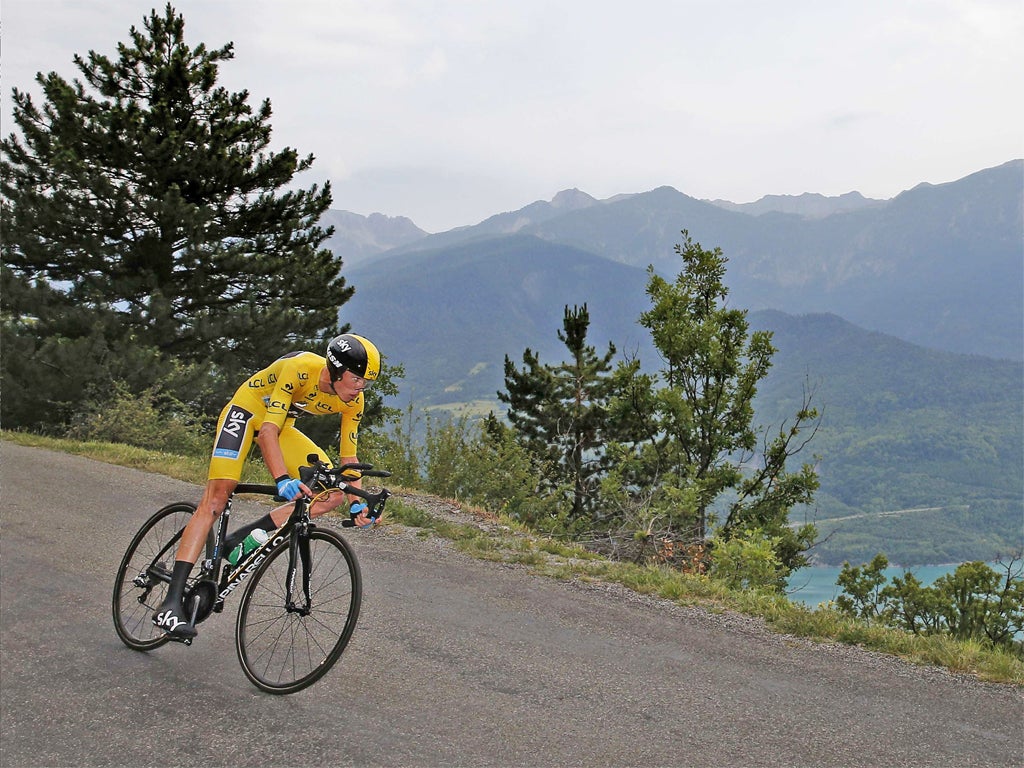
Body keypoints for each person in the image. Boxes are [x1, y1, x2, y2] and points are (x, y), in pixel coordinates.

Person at [152, 333, 382, 639]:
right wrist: (282, 480)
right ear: (337, 369)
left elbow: (349, 458)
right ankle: (170, 604)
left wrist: (356, 502)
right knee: (217, 499)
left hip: (283, 426)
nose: (360, 388)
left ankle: (239, 538)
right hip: (245, 414)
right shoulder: (300, 369)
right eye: (356, 379)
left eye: (365, 382)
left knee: (332, 493)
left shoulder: (354, 401)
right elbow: (267, 432)